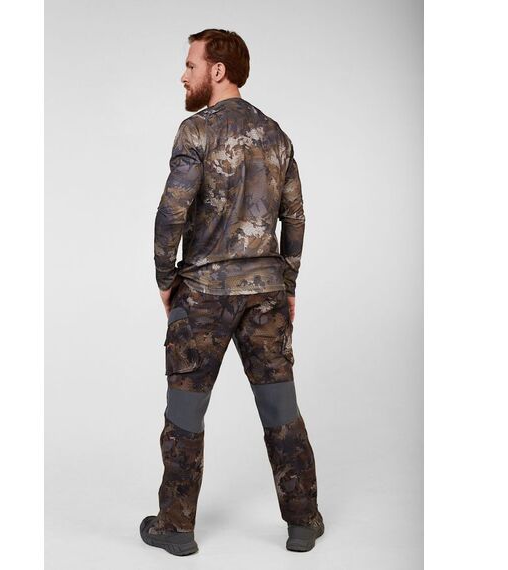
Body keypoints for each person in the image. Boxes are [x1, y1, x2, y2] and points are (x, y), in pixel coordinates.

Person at [140, 28, 324, 556]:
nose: (184, 75)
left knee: (185, 413)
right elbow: (295, 217)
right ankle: (303, 522)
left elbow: (171, 212)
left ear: (217, 70)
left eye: (190, 64)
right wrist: (287, 283)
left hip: (203, 294)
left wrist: (165, 277)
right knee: (281, 407)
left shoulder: (196, 130)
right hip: (267, 293)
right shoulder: (276, 135)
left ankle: (176, 527)